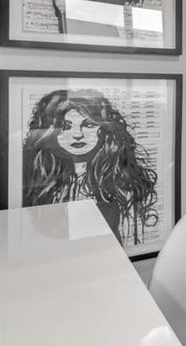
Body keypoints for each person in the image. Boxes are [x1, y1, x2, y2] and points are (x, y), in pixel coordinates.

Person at [22, 89, 158, 246]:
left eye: (88, 124)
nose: (78, 134)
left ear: (103, 128)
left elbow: (129, 242)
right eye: (65, 126)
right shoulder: (35, 179)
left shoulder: (121, 180)